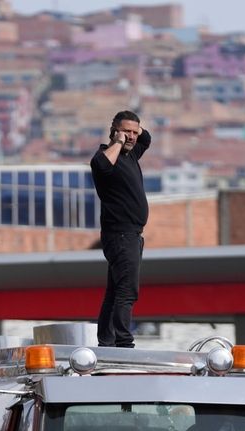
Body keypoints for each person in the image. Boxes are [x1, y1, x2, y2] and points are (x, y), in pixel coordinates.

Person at [90, 110, 151, 348]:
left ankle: (107, 340)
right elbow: (102, 165)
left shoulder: (131, 156)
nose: (132, 137)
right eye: (127, 131)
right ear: (114, 130)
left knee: (115, 291)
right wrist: (118, 141)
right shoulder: (105, 157)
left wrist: (135, 132)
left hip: (133, 235)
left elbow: (146, 140)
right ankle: (124, 343)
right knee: (127, 290)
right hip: (120, 235)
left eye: (135, 132)